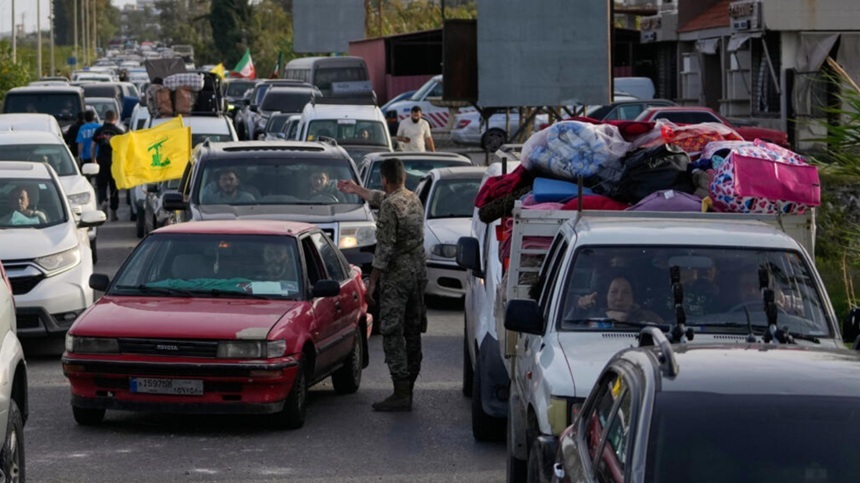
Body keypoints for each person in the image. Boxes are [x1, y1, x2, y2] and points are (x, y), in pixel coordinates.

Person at [337, 158, 427, 412]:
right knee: (413, 329)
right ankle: (408, 387)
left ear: (384, 179)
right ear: (404, 178)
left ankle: (400, 391)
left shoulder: (389, 207)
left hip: (398, 277)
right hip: (417, 276)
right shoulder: (412, 198)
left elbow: (384, 249)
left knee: (391, 329)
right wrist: (357, 189)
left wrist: (373, 282)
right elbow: (382, 198)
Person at [575, 276, 664, 324]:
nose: (619, 297)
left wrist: (629, 320)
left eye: (625, 292)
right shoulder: (593, 318)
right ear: (606, 295)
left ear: (633, 297)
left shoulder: (650, 318)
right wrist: (579, 308)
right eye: (614, 292)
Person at [92, 110, 126, 221]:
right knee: (114, 187)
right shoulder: (119, 132)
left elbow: (93, 147)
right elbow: (123, 150)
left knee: (101, 185)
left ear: (105, 118)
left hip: (101, 161)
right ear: (115, 118)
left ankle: (103, 201)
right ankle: (113, 212)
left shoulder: (99, 131)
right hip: (114, 162)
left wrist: (94, 160)